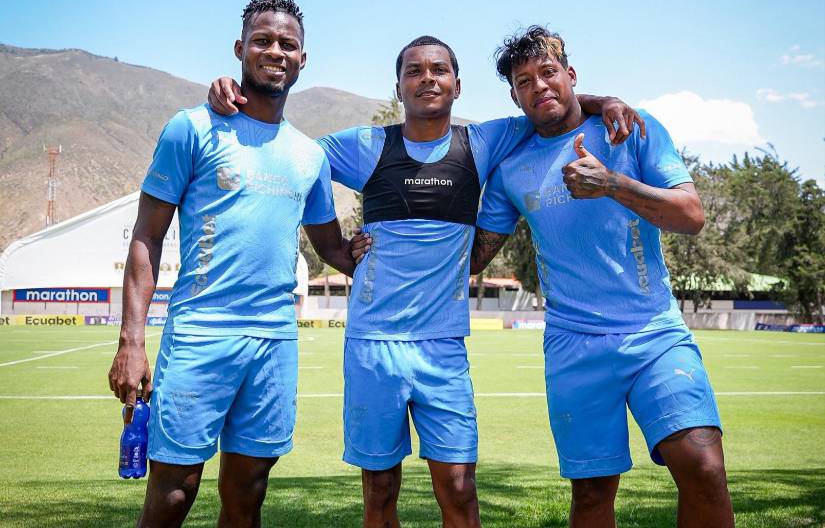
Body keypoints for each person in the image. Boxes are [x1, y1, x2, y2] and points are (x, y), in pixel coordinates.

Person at [208, 36, 639, 528]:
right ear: (398, 87)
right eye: (414, 71)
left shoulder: (482, 142)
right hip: (372, 345)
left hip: (443, 348)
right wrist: (334, 247)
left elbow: (549, 105)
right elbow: (293, 155)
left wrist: (605, 102)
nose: (427, 78)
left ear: (457, 86)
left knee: (458, 491)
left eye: (439, 70)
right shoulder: (367, 146)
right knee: (379, 494)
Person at [469, 26, 734, 528]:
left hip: (654, 332)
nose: (539, 86)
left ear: (570, 76)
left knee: (703, 467)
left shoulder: (631, 127)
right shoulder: (511, 166)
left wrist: (612, 183)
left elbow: (691, 215)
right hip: (573, 346)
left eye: (548, 72)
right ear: (514, 95)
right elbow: (477, 257)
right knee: (591, 496)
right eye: (524, 81)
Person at [108, 0, 356, 528]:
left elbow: (335, 249)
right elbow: (145, 239)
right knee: (174, 491)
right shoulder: (191, 128)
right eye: (263, 41)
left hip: (273, 343)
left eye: (287, 44)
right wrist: (131, 343)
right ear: (240, 49)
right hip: (200, 333)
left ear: (303, 58)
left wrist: (406, 251)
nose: (275, 51)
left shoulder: (309, 156)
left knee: (248, 493)